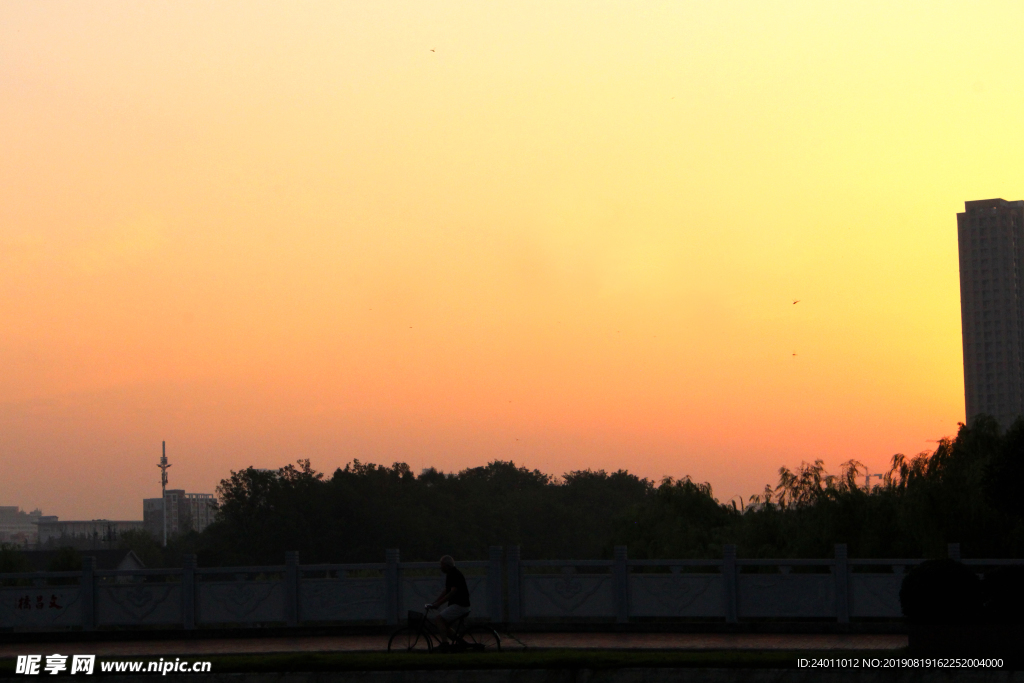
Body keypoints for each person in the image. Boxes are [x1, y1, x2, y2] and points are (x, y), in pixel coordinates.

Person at [425, 555, 470, 646]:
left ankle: (445, 644)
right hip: (459, 605)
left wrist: (438, 604)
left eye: (442, 565)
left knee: (439, 619)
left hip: (460, 605)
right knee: (444, 625)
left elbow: (452, 592)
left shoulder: (455, 575)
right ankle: (461, 643)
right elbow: (446, 591)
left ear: (446, 565)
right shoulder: (451, 574)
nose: (441, 567)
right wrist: (435, 602)